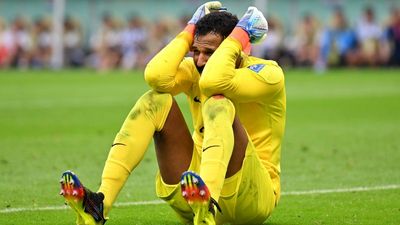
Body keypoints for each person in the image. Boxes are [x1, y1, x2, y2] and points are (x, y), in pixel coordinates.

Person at [60, 2, 286, 225]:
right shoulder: (195, 69)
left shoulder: (268, 74)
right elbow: (155, 75)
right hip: (192, 194)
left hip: (252, 198)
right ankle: (99, 204)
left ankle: (208, 202)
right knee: (154, 100)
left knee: (219, 103)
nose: (199, 60)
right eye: (195, 51)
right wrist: (190, 29)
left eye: (210, 52)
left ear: (235, 49)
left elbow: (214, 82)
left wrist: (240, 35)